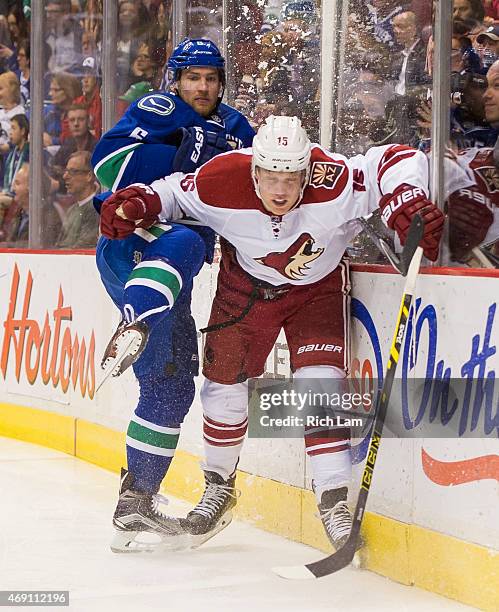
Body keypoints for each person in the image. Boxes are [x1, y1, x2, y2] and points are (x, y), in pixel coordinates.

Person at [99, 115, 445, 551]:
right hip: (243, 289)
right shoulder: (221, 178)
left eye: (292, 177)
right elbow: (169, 192)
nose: (281, 190)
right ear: (253, 170)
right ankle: (219, 488)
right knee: (222, 391)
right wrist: (137, 203)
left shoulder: (332, 181)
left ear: (307, 172)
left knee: (320, 385)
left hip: (315, 291)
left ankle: (333, 499)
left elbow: (395, 158)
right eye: (270, 177)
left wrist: (405, 196)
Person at [91, 38, 254, 553]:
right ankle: (135, 318)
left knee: (173, 382)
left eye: (211, 78)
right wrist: (176, 141)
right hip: (130, 243)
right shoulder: (159, 107)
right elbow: (106, 166)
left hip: (174, 271)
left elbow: (265, 182)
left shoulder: (235, 127)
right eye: (193, 78)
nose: (202, 87)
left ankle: (135, 499)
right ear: (175, 80)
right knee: (185, 235)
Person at [56, 151, 99, 249]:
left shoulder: (97, 208)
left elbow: (84, 246)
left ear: (89, 176)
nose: (65, 176)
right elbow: (60, 244)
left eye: (73, 171)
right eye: (66, 171)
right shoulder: (72, 209)